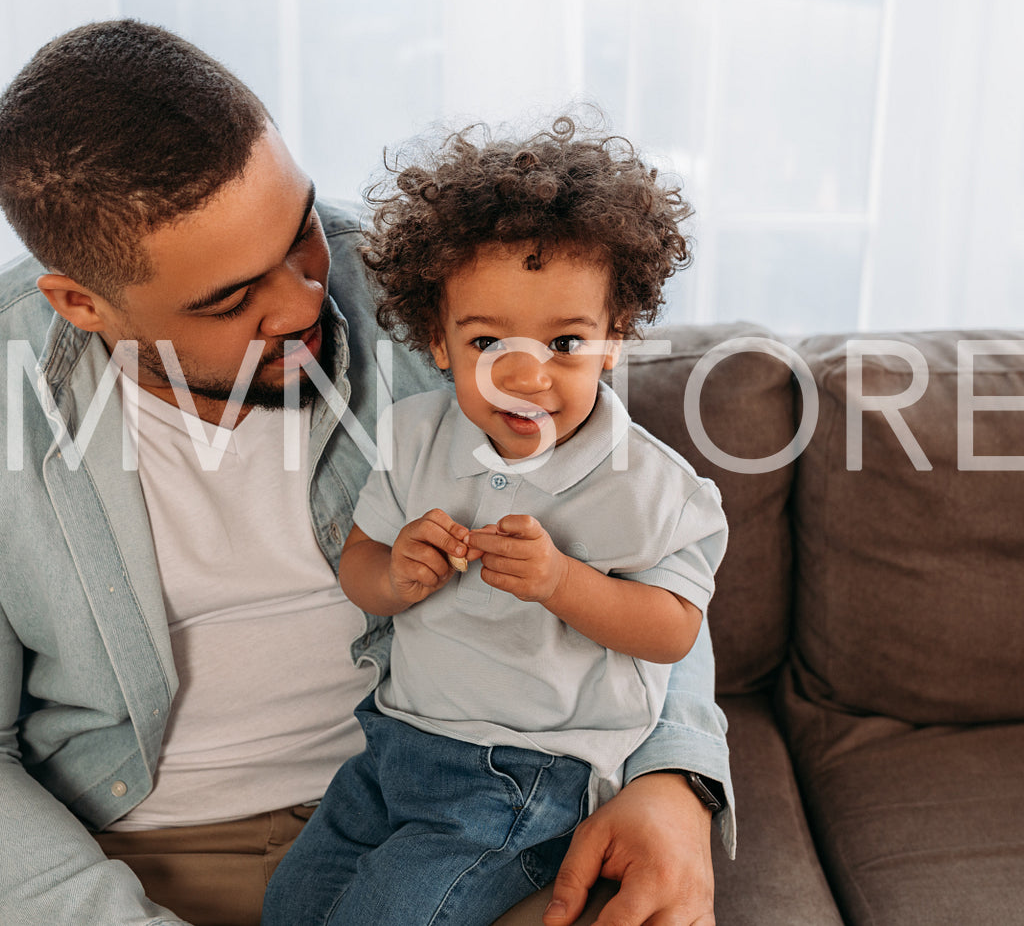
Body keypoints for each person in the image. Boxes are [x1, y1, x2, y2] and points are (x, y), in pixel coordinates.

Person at [0, 20, 734, 926]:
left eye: (299, 234)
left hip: (442, 813)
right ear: (81, 302)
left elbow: (636, 543)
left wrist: (675, 775)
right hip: (111, 847)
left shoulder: (446, 294)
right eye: (228, 298)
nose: (305, 299)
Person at [260, 118, 730, 926]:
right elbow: (360, 562)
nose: (523, 375)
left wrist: (562, 582)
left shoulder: (650, 483)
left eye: (565, 341)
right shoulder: (413, 435)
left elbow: (673, 630)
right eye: (485, 342)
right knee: (293, 904)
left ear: (613, 338)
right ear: (437, 343)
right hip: (392, 745)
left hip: (525, 772)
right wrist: (396, 573)